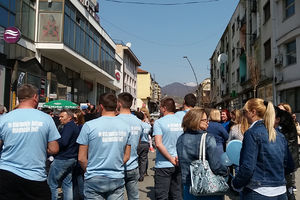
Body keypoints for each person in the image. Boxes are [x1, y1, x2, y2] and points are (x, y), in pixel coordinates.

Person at [0, 84, 60, 200]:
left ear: (18, 98)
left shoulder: (4, 119)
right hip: (35, 176)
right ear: (35, 97)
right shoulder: (46, 118)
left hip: (7, 174)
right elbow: (54, 149)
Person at [232, 98, 292, 199]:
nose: (244, 115)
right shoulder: (279, 135)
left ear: (253, 112)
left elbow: (247, 167)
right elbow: (289, 165)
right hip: (280, 191)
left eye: (244, 112)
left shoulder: (252, 133)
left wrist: (236, 183)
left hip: (258, 191)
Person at [77, 93, 132, 200]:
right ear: (116, 106)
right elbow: (127, 156)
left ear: (101, 106)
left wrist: (90, 170)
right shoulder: (126, 127)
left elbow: (81, 158)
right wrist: (115, 165)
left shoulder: (89, 126)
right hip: (116, 176)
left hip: (94, 177)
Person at [177, 108, 228, 200]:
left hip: (188, 185)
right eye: (205, 120)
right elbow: (215, 165)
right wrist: (225, 171)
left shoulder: (181, 138)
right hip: (207, 186)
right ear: (195, 121)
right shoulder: (208, 138)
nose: (208, 122)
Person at [153, 98, 183, 200]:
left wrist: (170, 158)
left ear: (164, 108)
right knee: (177, 194)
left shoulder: (159, 122)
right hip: (179, 162)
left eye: (160, 107)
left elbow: (158, 143)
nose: (160, 109)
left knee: (162, 196)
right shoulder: (181, 122)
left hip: (163, 164)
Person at [48, 109, 80, 200]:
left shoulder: (69, 126)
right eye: (59, 117)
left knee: (52, 183)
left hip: (63, 158)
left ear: (69, 117)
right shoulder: (74, 126)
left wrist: (55, 143)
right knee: (67, 183)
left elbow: (64, 142)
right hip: (72, 158)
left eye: (62, 117)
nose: (60, 119)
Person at [116, 92, 143, 200]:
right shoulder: (138, 122)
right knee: (134, 197)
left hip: (119, 165)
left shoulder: (115, 120)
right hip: (133, 164)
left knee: (117, 196)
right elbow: (139, 141)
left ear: (119, 103)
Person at [275, 107, 299, 200]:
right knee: (287, 188)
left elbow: (286, 144)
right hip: (286, 161)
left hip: (287, 161)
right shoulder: (284, 123)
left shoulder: (286, 124)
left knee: (288, 187)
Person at [135, 111, 151, 182]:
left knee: (137, 159)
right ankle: (142, 175)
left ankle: (137, 174)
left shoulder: (137, 125)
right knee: (143, 159)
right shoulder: (147, 125)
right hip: (146, 143)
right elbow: (150, 133)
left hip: (139, 143)